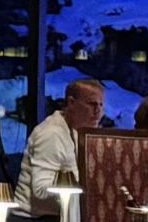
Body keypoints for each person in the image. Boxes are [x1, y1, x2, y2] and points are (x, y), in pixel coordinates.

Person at [16, 77, 105, 211]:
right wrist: (90, 190)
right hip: (37, 220)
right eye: (92, 104)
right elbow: (41, 191)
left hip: (66, 215)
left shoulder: (79, 131)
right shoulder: (51, 134)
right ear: (71, 103)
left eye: (101, 105)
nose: (98, 110)